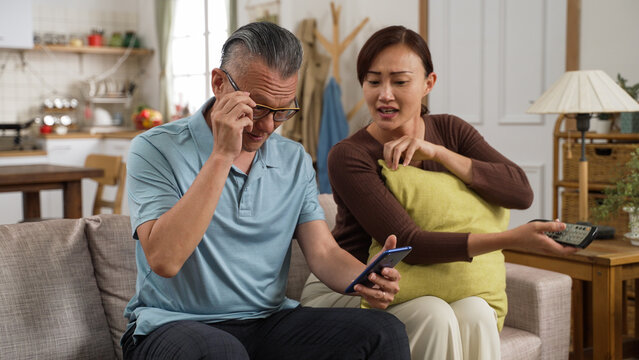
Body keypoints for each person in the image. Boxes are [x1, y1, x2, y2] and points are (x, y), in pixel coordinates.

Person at [120, 22, 411, 360]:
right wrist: (221, 155)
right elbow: (165, 260)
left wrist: (366, 277)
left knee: (383, 332)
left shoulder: (294, 160)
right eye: (256, 108)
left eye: (283, 110)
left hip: (268, 323)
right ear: (219, 84)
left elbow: (324, 254)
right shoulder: (155, 149)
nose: (268, 126)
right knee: (220, 350)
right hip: (172, 327)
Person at [300, 25, 578, 360]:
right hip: (354, 287)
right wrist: (511, 238)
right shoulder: (349, 155)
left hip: (432, 282)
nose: (384, 94)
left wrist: (439, 154)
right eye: (373, 81)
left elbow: (519, 191)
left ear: (428, 83)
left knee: (476, 312)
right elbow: (408, 243)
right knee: (433, 313)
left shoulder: (449, 130)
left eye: (400, 82)